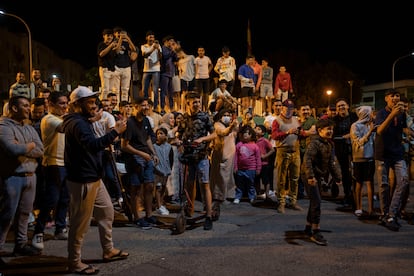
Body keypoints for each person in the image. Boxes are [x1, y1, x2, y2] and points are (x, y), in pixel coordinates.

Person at [62, 86, 129, 274]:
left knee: (107, 212)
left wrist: (94, 119)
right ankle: (74, 261)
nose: (94, 105)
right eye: (89, 102)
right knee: (80, 223)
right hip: (83, 180)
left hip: (94, 178)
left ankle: (108, 250)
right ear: (77, 104)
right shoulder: (78, 123)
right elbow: (92, 145)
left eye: (94, 102)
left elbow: (85, 124)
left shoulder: (79, 120)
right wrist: (115, 131)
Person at [0, 95, 44, 256]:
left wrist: (25, 148)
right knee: (7, 215)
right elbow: (13, 150)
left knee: (25, 213)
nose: (28, 109)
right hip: (12, 177)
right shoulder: (3, 127)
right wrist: (29, 146)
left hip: (31, 175)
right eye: (25, 105)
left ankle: (21, 244)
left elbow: (40, 150)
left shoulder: (29, 127)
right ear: (14, 108)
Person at [32, 91, 70, 251]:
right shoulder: (49, 119)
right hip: (53, 163)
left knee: (65, 198)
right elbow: (65, 129)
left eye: (66, 103)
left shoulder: (61, 118)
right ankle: (38, 232)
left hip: (65, 163)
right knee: (51, 200)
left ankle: (60, 228)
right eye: (62, 103)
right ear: (51, 104)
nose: (65, 106)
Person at [176, 91, 216, 230]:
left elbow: (214, 134)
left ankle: (209, 215)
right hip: (188, 156)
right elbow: (179, 134)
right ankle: (190, 211)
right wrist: (179, 142)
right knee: (189, 184)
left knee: (204, 184)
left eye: (198, 101)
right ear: (188, 103)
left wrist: (202, 139)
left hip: (202, 155)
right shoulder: (184, 118)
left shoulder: (205, 116)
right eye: (194, 102)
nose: (197, 104)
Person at [301, 119, 342, 246]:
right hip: (309, 176)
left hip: (317, 176)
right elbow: (307, 160)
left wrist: (337, 177)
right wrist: (310, 177)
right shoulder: (314, 143)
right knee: (317, 202)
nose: (330, 131)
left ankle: (308, 228)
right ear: (320, 131)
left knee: (315, 201)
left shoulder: (329, 144)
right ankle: (316, 231)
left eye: (331, 129)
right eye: (327, 129)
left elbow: (331, 162)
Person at [374, 89, 411, 231]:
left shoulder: (402, 113)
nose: (395, 98)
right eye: (392, 96)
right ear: (386, 99)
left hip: (397, 153)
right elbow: (379, 131)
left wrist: (409, 133)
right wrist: (392, 115)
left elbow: (403, 130)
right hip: (382, 153)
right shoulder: (381, 113)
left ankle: (391, 214)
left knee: (403, 180)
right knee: (384, 185)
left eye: (397, 96)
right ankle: (384, 215)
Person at [121, 96, 159, 230]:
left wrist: (153, 153)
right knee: (135, 189)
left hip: (146, 157)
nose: (146, 107)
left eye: (147, 105)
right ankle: (137, 217)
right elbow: (124, 146)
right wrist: (141, 154)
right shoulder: (130, 123)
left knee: (149, 186)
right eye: (143, 105)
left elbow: (148, 138)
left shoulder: (146, 121)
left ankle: (149, 214)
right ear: (135, 106)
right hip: (134, 158)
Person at [271, 99, 304, 213]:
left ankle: (293, 201)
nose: (289, 110)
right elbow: (274, 135)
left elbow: (301, 133)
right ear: (282, 108)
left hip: (295, 151)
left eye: (291, 108)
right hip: (282, 151)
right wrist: (287, 132)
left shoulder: (296, 120)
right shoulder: (277, 121)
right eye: (286, 107)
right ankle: (281, 202)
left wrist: (306, 132)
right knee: (281, 178)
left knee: (295, 178)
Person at [210, 109, 239, 219]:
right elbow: (223, 133)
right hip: (221, 155)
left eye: (228, 115)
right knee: (220, 177)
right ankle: (219, 198)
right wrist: (231, 127)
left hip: (230, 156)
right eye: (225, 115)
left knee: (228, 177)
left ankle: (227, 195)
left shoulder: (230, 124)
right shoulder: (218, 125)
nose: (227, 117)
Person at [350, 105, 376, 218]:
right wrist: (370, 132)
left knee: (370, 182)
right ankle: (359, 207)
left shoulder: (371, 125)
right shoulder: (355, 126)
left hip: (370, 158)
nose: (371, 115)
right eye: (370, 113)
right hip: (359, 158)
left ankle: (371, 208)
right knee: (359, 183)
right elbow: (358, 142)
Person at [332, 98, 358, 209]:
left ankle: (356, 197)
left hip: (355, 148)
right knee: (345, 173)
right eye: (338, 106)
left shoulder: (354, 117)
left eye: (343, 105)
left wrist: (349, 135)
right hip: (341, 149)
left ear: (347, 106)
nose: (341, 108)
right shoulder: (334, 120)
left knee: (355, 173)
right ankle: (348, 196)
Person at [233, 125, 261, 204]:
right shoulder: (239, 145)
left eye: (248, 133)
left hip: (251, 169)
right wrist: (235, 167)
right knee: (239, 185)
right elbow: (236, 157)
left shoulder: (255, 146)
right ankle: (238, 197)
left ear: (251, 135)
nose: (245, 135)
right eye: (244, 133)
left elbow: (258, 158)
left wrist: (258, 169)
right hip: (241, 169)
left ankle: (251, 197)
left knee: (250, 184)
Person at [153, 127, 173, 216]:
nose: (159, 136)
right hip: (158, 170)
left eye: (161, 133)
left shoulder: (169, 147)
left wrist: (169, 168)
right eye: (157, 134)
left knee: (164, 187)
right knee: (158, 187)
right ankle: (159, 205)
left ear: (165, 135)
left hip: (166, 170)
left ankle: (161, 202)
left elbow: (171, 158)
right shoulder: (154, 146)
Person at [141, 30, 161, 102]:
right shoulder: (144, 46)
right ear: (147, 38)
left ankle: (155, 106)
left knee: (155, 90)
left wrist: (158, 49)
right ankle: (145, 104)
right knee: (144, 89)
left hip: (156, 70)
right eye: (150, 37)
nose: (152, 39)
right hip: (146, 70)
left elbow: (160, 57)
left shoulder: (158, 46)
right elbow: (145, 55)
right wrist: (153, 48)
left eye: (153, 37)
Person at [97, 28, 117, 100]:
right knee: (105, 89)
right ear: (103, 36)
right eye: (108, 35)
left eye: (111, 36)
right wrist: (110, 46)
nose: (110, 37)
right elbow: (101, 54)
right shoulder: (101, 44)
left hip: (112, 69)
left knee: (111, 90)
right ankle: (103, 105)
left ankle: (110, 106)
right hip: (104, 69)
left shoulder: (114, 46)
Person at [194, 46, 213, 111]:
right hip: (198, 78)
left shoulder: (207, 58)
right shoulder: (196, 59)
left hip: (206, 77)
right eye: (199, 51)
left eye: (202, 50)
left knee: (206, 93)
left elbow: (211, 65)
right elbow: (195, 68)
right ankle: (199, 108)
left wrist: (208, 71)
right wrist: (196, 74)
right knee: (199, 94)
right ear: (198, 52)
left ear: (204, 52)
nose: (201, 52)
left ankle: (206, 108)